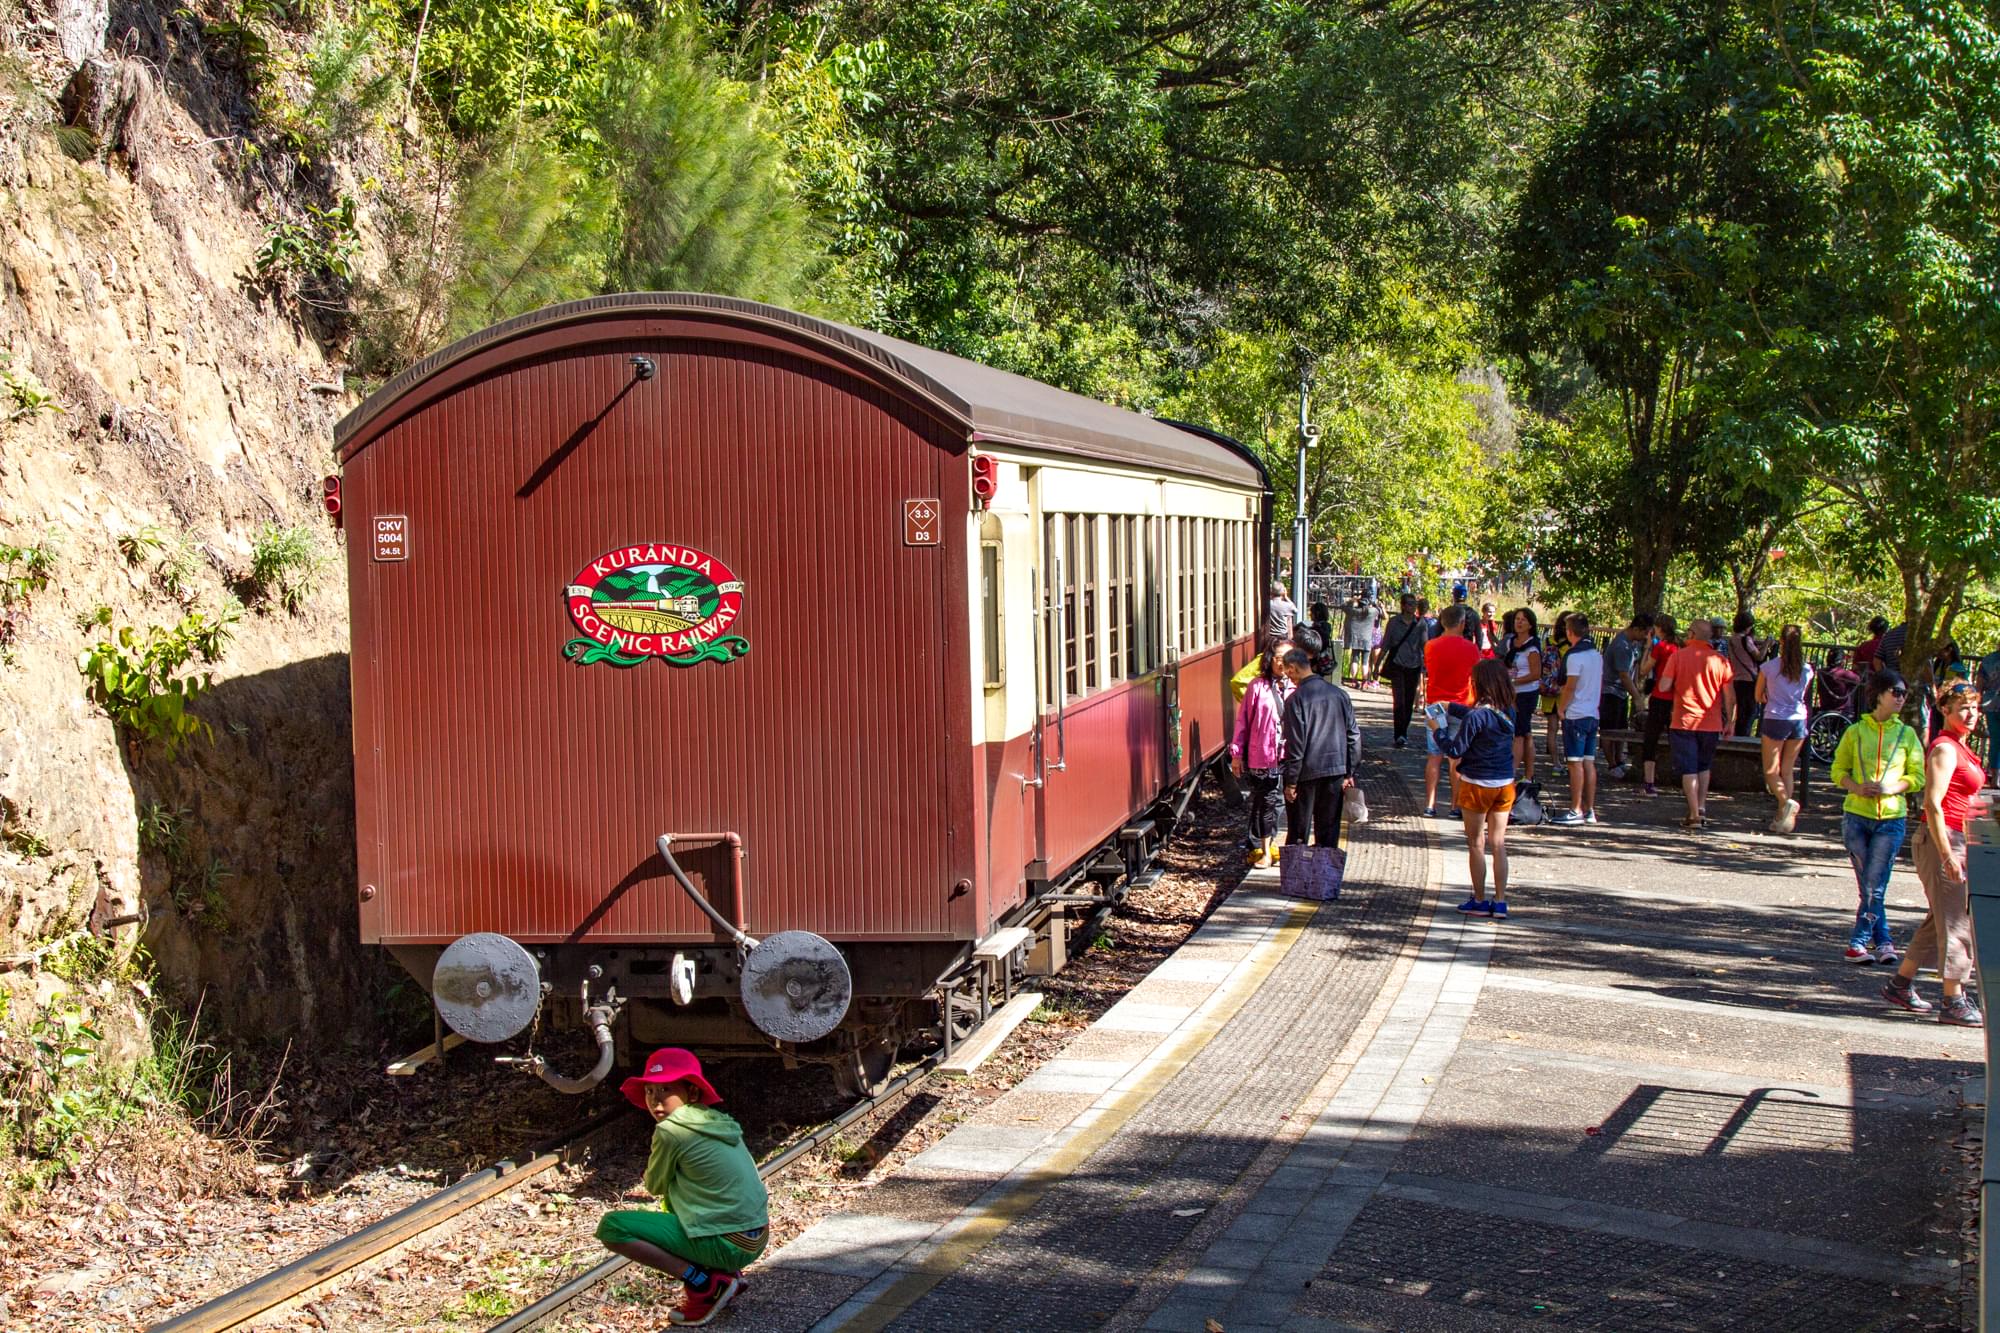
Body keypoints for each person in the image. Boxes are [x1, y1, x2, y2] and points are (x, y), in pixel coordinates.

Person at [596, 1048, 769, 1327]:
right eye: (650, 1092)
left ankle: (705, 1284)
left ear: (692, 1092)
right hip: (756, 1236)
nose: (655, 1101)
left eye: (666, 1089)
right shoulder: (716, 1120)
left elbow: (654, 1184)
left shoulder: (670, 1130)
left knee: (613, 1227)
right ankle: (726, 1274)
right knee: (683, 1197)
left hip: (728, 1244)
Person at [1883, 682, 1990, 1024]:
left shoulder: (1961, 746)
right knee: (1958, 923)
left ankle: (1900, 984)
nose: (1970, 714)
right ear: (1945, 710)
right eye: (1962, 708)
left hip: (1961, 839)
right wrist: (1948, 855)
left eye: (1973, 707)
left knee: (1939, 918)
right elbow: (1933, 804)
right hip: (1944, 840)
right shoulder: (1945, 749)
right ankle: (1952, 999)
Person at [1829, 671, 1925, 965]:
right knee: (1869, 885)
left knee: (1874, 884)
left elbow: (1918, 776)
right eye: (1896, 692)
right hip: (1857, 816)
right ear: (1879, 694)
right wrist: (1856, 787)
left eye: (1904, 693)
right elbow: (1838, 770)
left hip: (1891, 819)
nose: (1900, 698)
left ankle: (1858, 943)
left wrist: (1891, 788)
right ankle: (1883, 941)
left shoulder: (1907, 735)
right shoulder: (1856, 731)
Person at [1431, 659, 1519, 918]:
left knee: (1476, 843)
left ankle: (1480, 899)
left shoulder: (1477, 716)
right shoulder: (1508, 712)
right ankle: (1500, 901)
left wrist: (1438, 730)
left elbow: (1455, 750)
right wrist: (1452, 707)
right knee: (1498, 843)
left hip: (1476, 784)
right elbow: (1479, 717)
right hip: (1504, 784)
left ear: (1480, 684)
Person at [1655, 619, 1735, 828]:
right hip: (1711, 722)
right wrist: (1731, 721)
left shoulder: (1678, 657)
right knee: (1703, 766)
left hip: (1684, 721)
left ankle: (1693, 815)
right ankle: (1701, 807)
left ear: (1691, 634)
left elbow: (1664, 686)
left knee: (1688, 769)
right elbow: (1729, 696)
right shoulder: (1721, 661)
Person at [1280, 648, 1361, 848]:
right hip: (1336, 769)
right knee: (1329, 831)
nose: (1288, 677)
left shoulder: (1295, 700)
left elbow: (1296, 744)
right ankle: (1325, 876)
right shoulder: (1340, 695)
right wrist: (1349, 771)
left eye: (1287, 672)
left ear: (1293, 668)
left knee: (1299, 831)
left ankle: (1297, 875)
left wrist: (1291, 782)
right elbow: (1354, 736)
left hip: (1305, 773)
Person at [1231, 645, 1297, 868]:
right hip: (1264, 755)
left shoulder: (1298, 687)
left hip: (1290, 755)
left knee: (1283, 800)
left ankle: (1280, 847)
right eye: (1278, 658)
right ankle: (1263, 848)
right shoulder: (1257, 687)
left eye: (1286, 658)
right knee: (1266, 800)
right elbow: (1243, 722)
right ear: (1269, 659)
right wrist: (1237, 754)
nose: (1281, 663)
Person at [1755, 624, 1814, 833]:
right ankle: (1784, 818)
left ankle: (1785, 802)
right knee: (1787, 770)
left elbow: (1758, 695)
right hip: (1798, 719)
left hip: (1775, 717)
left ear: (1781, 642)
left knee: (1771, 770)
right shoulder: (1807, 670)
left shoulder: (1769, 667)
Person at [1422, 604, 1481, 818]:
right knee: (1456, 758)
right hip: (1461, 704)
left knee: (1434, 756)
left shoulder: (1430, 646)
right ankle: (1455, 806)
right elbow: (1475, 675)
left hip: (1435, 704)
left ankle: (1430, 804)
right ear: (1463, 623)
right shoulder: (1471, 649)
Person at [1550, 614, 1604, 825]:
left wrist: (1561, 708)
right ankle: (1589, 809)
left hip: (1576, 713)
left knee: (1575, 763)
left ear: (1570, 632)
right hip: (1592, 712)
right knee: (1589, 762)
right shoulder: (1596, 655)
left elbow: (1570, 686)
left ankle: (1575, 809)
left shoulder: (1574, 656)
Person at [1374, 593, 1428, 748]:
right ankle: (1399, 734)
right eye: (1409, 604)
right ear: (1403, 605)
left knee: (1409, 700)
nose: (1412, 607)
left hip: (1414, 665)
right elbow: (1386, 645)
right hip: (1397, 664)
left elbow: (1425, 645)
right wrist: (1377, 665)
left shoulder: (1421, 624)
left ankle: (1404, 731)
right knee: (1399, 700)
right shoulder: (1394, 622)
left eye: (1414, 604)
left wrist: (1426, 663)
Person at [1602, 613, 1651, 776]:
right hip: (1611, 692)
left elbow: (1634, 669)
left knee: (1621, 728)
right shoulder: (1621, 645)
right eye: (1644, 633)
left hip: (1622, 693)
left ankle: (1619, 759)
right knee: (1609, 730)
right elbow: (1623, 675)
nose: (1645, 637)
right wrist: (1637, 697)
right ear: (1636, 629)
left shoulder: (1633, 644)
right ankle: (1611, 764)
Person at [1640, 613, 1680, 796]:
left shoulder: (1660, 647)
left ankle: (1649, 782)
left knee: (1651, 740)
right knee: (1678, 739)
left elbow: (1644, 669)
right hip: (1677, 699)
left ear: (1659, 628)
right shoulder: (1680, 647)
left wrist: (1648, 647)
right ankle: (1683, 778)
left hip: (1660, 696)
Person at [1502, 608, 1543, 783]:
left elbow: (1536, 674)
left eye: (1523, 620)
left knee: (1520, 732)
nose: (1519, 622)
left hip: (1526, 693)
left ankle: (1511, 772)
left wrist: (1515, 682)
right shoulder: (1512, 642)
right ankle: (1529, 774)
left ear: (1530, 624)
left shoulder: (1532, 646)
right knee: (1525, 733)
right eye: (1517, 619)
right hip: (1513, 692)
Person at [1726, 612, 1766, 738]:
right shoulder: (1745, 640)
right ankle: (1743, 736)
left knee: (1740, 710)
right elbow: (1759, 656)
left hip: (1736, 678)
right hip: (1749, 679)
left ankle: (1737, 734)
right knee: (1750, 711)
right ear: (1748, 626)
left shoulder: (1732, 639)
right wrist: (1767, 644)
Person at [1341, 590, 1378, 687]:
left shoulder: (1353, 611)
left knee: (1355, 659)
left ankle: (1353, 680)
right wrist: (1375, 603)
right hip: (1367, 639)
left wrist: (1352, 600)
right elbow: (1380, 612)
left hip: (1355, 638)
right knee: (1365, 662)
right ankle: (1365, 681)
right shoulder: (1372, 611)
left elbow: (1343, 606)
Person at [1819, 647, 1861, 715]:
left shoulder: (1821, 672)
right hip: (1842, 710)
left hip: (1825, 707)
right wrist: (1856, 670)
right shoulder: (1844, 673)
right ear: (1841, 661)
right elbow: (1858, 679)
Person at [1263, 581, 1299, 646]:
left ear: (1271, 591)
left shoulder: (1268, 604)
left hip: (1271, 635)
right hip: (1283, 635)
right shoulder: (1287, 605)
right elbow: (1296, 611)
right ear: (1283, 592)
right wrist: (1286, 597)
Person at [1307, 601, 1337, 676]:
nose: (1310, 614)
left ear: (1316, 614)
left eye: (1312, 612)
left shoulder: (1317, 628)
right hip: (1323, 658)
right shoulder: (1326, 626)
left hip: (1316, 658)